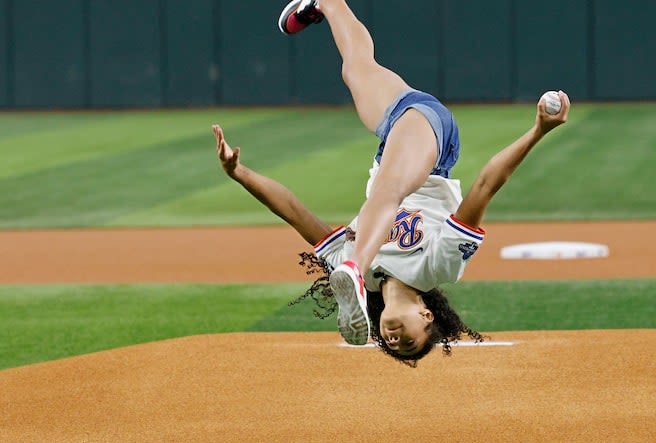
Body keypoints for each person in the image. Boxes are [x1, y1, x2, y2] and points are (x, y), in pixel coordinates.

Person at [211, 0, 571, 366]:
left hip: (394, 137)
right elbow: (485, 187)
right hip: (432, 144)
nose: (397, 341)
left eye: (393, 346)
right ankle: (352, 270)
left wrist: (239, 174)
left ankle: (326, 4)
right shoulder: (437, 268)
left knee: (356, 69)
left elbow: (295, 214)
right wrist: (538, 131)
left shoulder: (366, 277)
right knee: (387, 192)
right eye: (412, 343)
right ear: (427, 316)